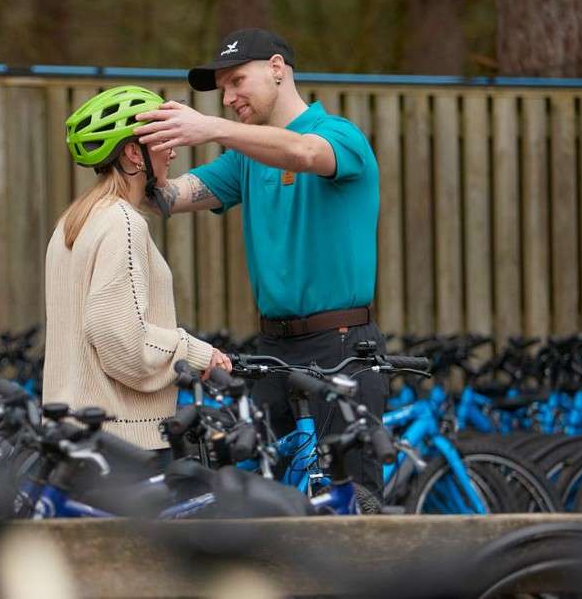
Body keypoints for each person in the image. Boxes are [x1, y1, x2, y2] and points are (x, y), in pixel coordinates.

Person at [132, 28, 387, 495]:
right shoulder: (246, 158)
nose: (227, 98)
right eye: (222, 89)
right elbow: (169, 198)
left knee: (351, 507)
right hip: (273, 352)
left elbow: (307, 154)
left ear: (276, 69)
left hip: (341, 348)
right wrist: (141, 162)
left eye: (235, 82)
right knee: (252, 494)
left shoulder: (338, 135)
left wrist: (212, 128)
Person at [43, 85, 232, 455]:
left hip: (74, 432)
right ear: (134, 153)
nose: (174, 151)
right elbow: (125, 342)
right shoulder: (122, 222)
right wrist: (198, 353)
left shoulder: (75, 219)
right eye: (164, 141)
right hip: (122, 443)